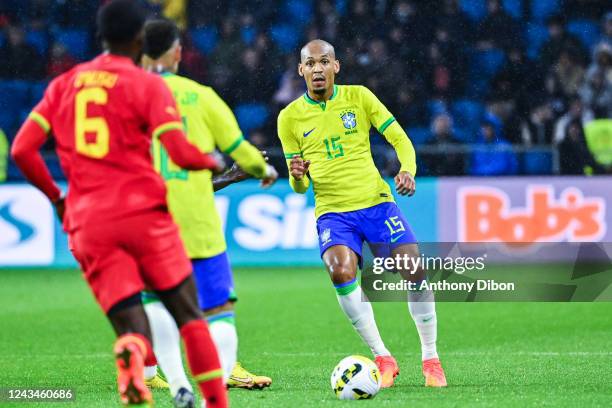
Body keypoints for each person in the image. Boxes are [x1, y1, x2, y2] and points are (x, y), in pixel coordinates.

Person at [10, 1, 228, 406]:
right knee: (188, 314)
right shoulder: (147, 85)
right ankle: (215, 402)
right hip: (142, 214)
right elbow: (179, 152)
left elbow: (23, 150)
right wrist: (210, 160)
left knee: (129, 317)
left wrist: (57, 198)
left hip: (88, 221)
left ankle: (132, 350)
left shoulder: (64, 84)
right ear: (140, 39)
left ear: (101, 35)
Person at [277, 39, 447, 389]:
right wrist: (296, 175)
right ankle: (382, 356)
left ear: (336, 66)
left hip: (375, 202)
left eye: (325, 62)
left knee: (413, 267)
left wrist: (408, 170)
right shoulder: (289, 117)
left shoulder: (360, 97)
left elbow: (400, 139)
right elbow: (298, 187)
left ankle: (431, 358)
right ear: (301, 71)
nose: (318, 69)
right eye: (311, 64)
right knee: (340, 272)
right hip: (333, 212)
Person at [139, 18, 277, 402]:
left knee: (156, 303)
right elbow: (239, 148)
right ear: (179, 52)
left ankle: (177, 381)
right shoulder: (200, 95)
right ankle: (216, 391)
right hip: (197, 222)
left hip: (149, 223)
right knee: (219, 309)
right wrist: (261, 169)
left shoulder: (127, 96)